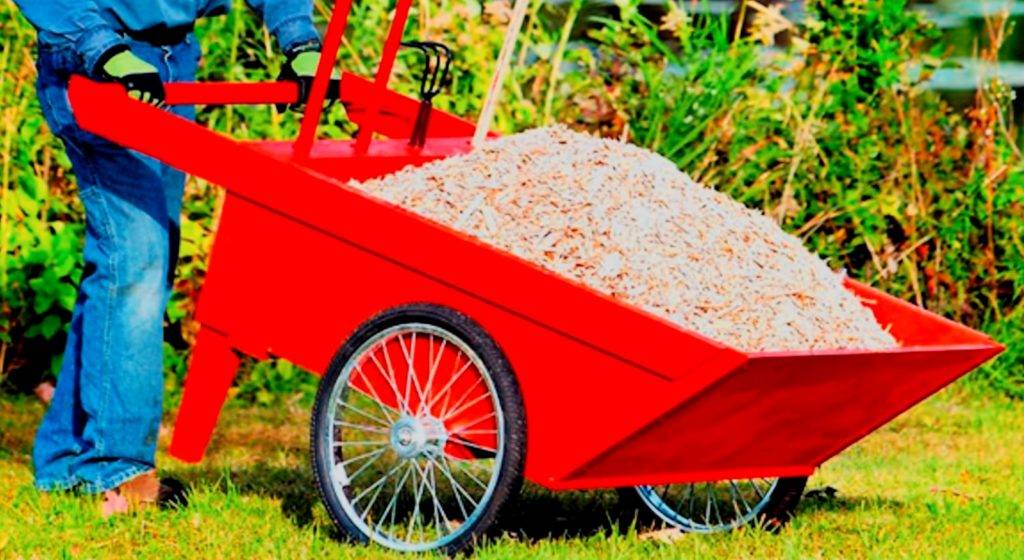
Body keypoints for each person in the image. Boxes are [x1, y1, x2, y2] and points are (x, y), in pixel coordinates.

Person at [12, 0, 338, 516]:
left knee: (132, 264)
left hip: (172, 65)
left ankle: (66, 460)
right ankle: (116, 469)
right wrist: (103, 49)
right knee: (136, 261)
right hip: (96, 72)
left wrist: (299, 39)